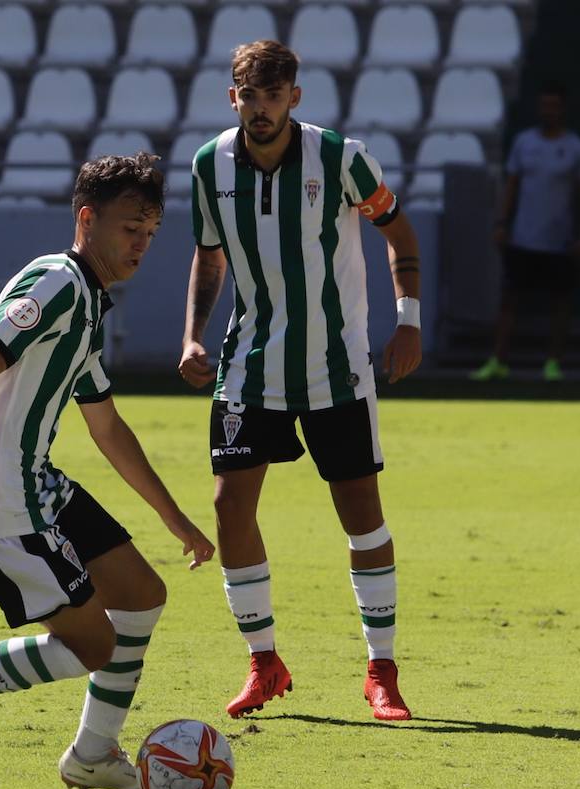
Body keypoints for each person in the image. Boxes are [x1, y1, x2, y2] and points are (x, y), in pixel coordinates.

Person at [0, 154, 216, 789]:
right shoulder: (58, 280)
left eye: (150, 232)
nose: (141, 244)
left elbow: (108, 428)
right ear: (87, 219)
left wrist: (178, 522)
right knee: (94, 644)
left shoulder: (88, 303)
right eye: (128, 228)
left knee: (142, 593)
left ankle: (92, 756)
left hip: (41, 487)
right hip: (3, 502)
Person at [177, 41, 422, 722]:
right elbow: (209, 254)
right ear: (234, 98)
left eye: (273, 95)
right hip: (249, 364)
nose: (261, 108)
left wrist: (408, 322)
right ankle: (264, 661)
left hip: (334, 368)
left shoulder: (341, 157)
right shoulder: (209, 164)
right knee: (230, 509)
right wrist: (193, 334)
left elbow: (399, 235)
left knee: (361, 517)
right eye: (249, 96)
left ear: (295, 97)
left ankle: (381, 670)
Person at [471, 81, 580, 382]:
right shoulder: (524, 143)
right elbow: (511, 186)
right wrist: (502, 223)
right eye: (544, 105)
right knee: (509, 299)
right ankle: (498, 360)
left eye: (554, 106)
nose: (548, 111)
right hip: (523, 238)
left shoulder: (578, 150)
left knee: (560, 304)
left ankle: (553, 363)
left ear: (563, 109)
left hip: (560, 241)